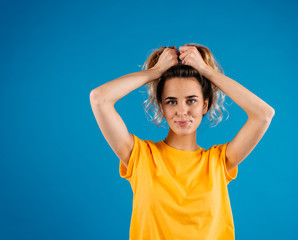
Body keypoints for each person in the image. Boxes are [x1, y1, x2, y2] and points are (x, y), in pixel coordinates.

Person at [90, 43, 275, 239]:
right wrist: (156, 71)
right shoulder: (141, 157)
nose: (181, 111)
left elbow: (263, 114)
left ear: (205, 105)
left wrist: (206, 71)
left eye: (191, 100)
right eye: (171, 101)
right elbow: (99, 98)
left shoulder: (218, 161)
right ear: (162, 107)